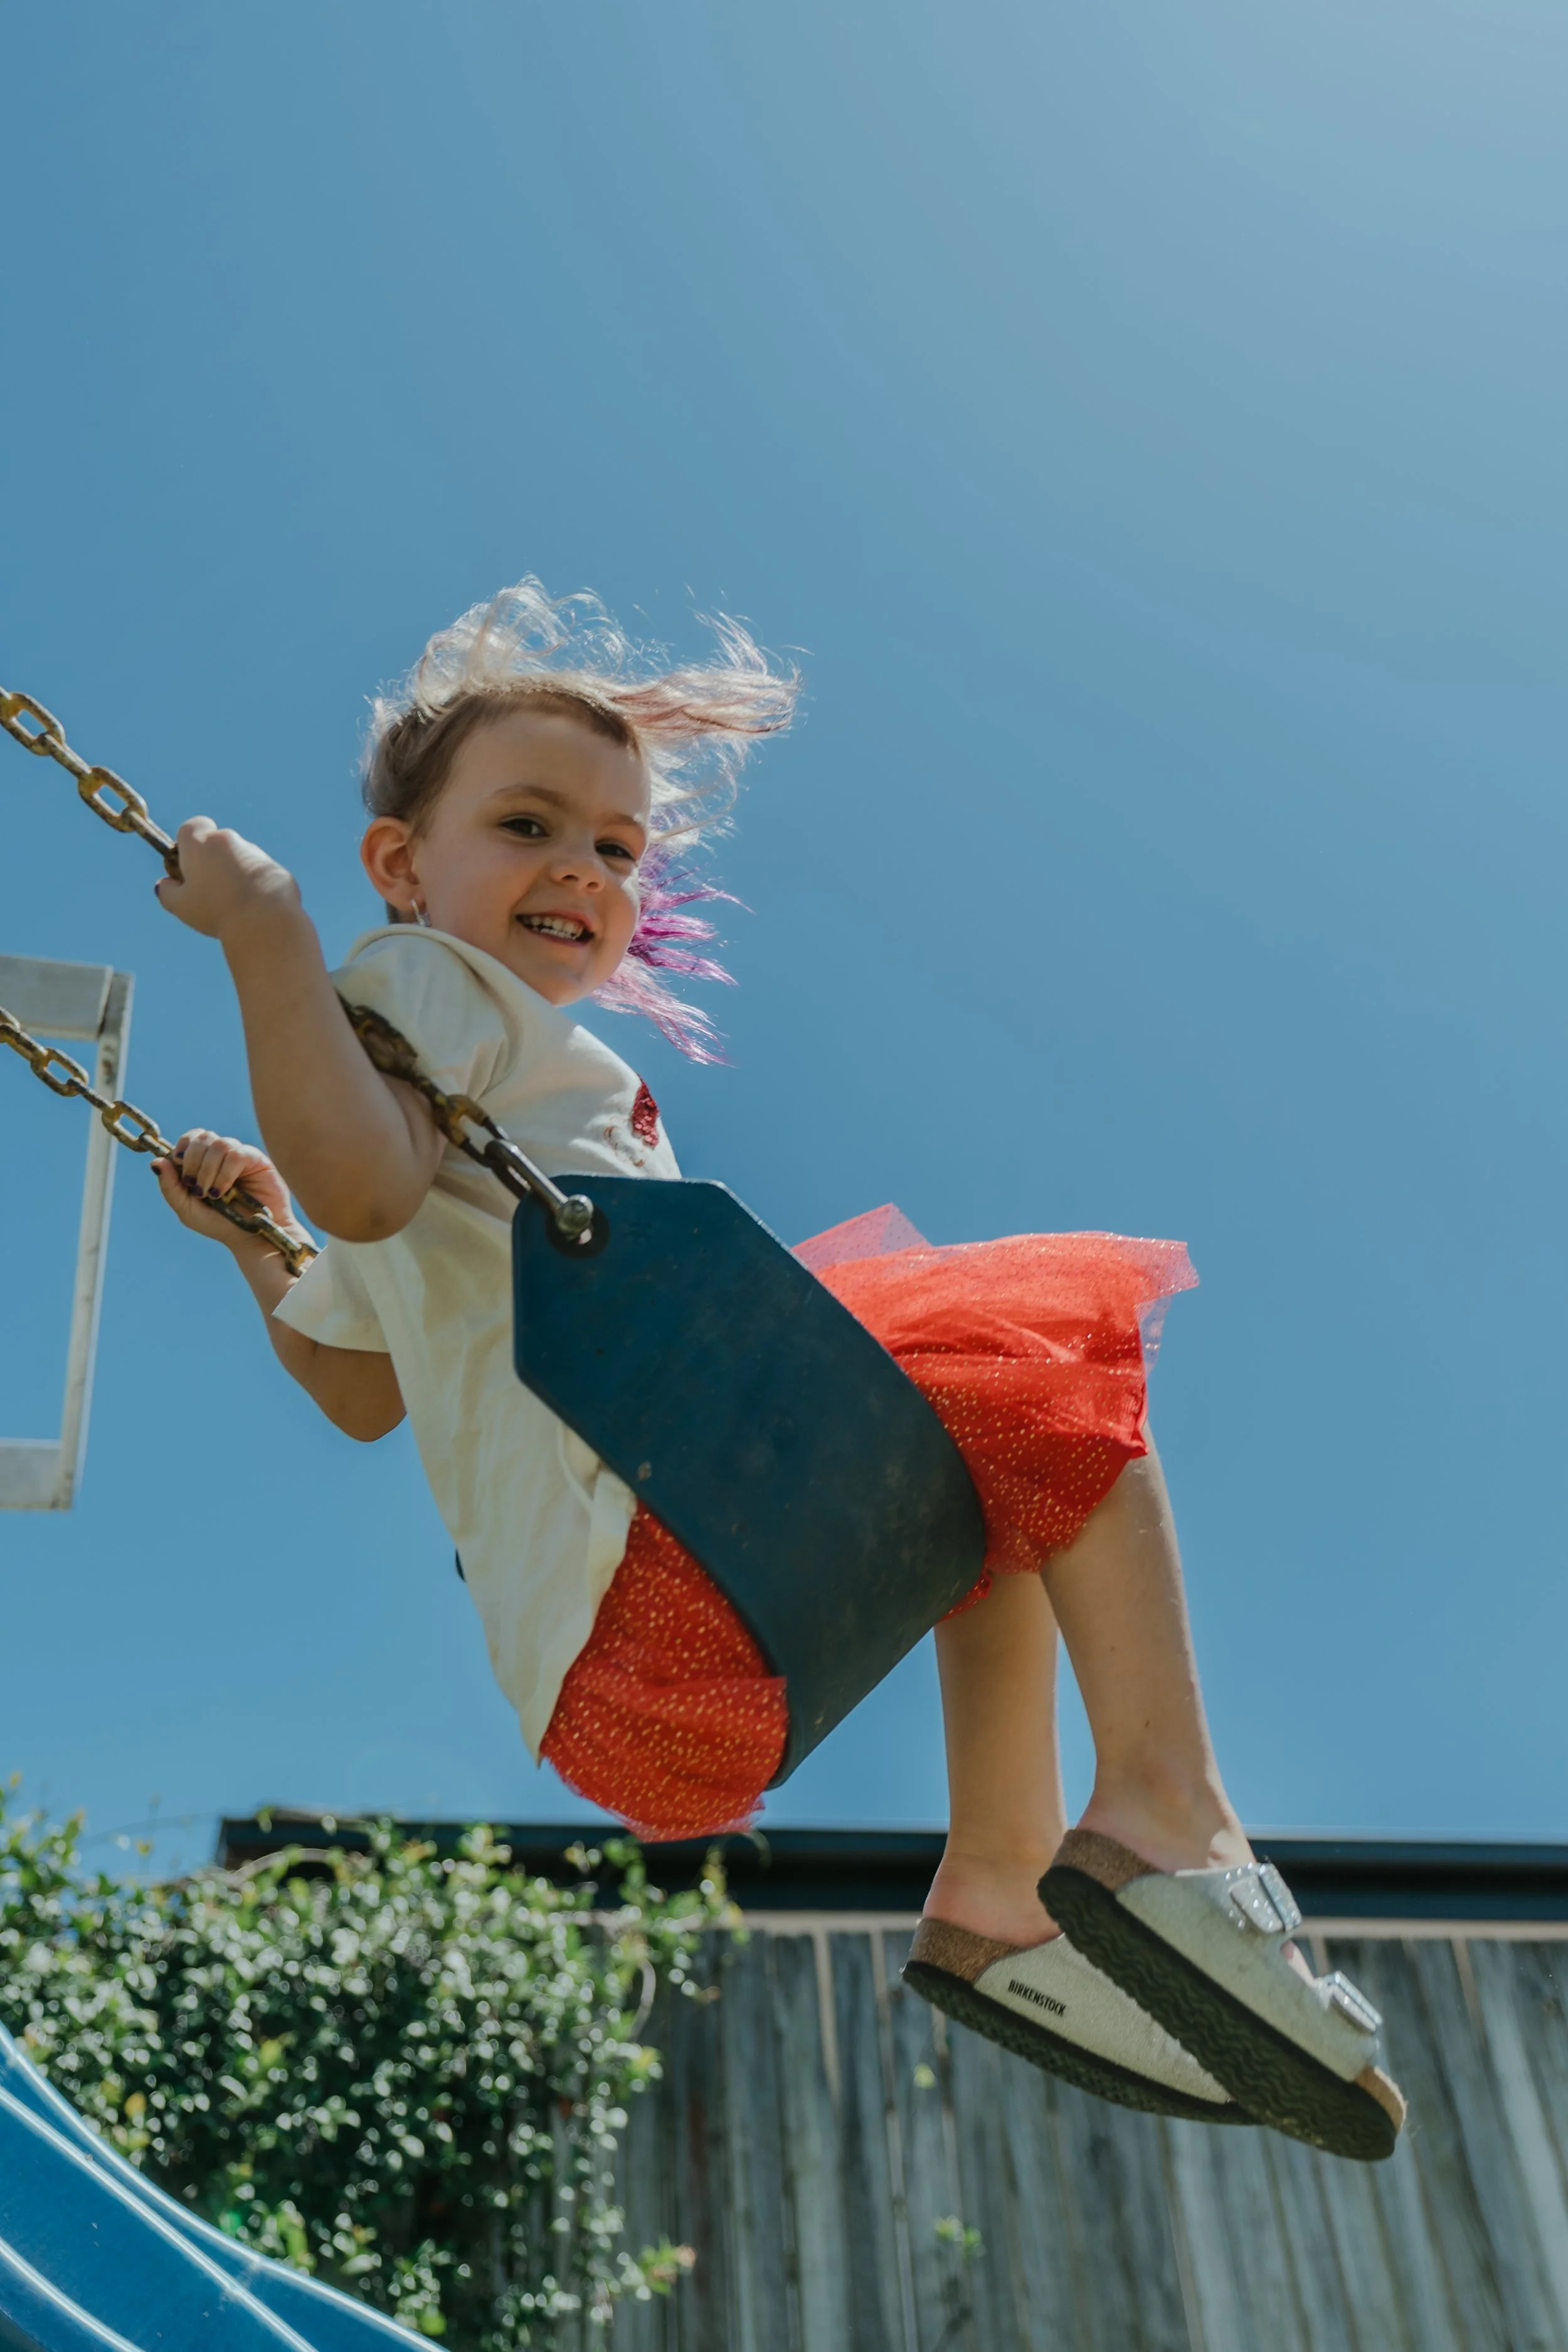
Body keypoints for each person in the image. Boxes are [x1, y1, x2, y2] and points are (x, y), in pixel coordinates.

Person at [154, 581, 1404, 2159]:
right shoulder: (419, 991)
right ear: (400, 866)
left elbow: (357, 1379)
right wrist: (265, 932)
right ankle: (1164, 1809)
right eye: (528, 822)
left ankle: (1002, 1884)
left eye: (614, 848)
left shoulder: (483, 1085)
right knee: (1057, 1343)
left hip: (629, 1697)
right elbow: (362, 1187)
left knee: (975, 1480)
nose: (580, 870)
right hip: (666, 1592)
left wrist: (254, 1248)